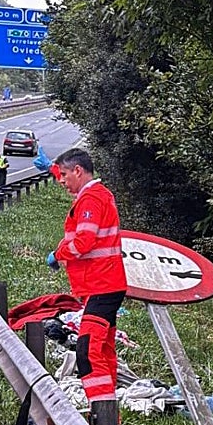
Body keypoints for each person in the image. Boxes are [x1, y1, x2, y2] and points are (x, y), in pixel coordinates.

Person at [45, 149, 127, 409]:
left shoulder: (91, 198)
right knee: (103, 350)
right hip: (103, 285)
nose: (61, 180)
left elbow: (83, 242)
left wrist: (58, 255)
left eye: (65, 174)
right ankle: (109, 416)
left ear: (78, 171)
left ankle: (102, 415)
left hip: (102, 285)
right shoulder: (99, 194)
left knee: (88, 351)